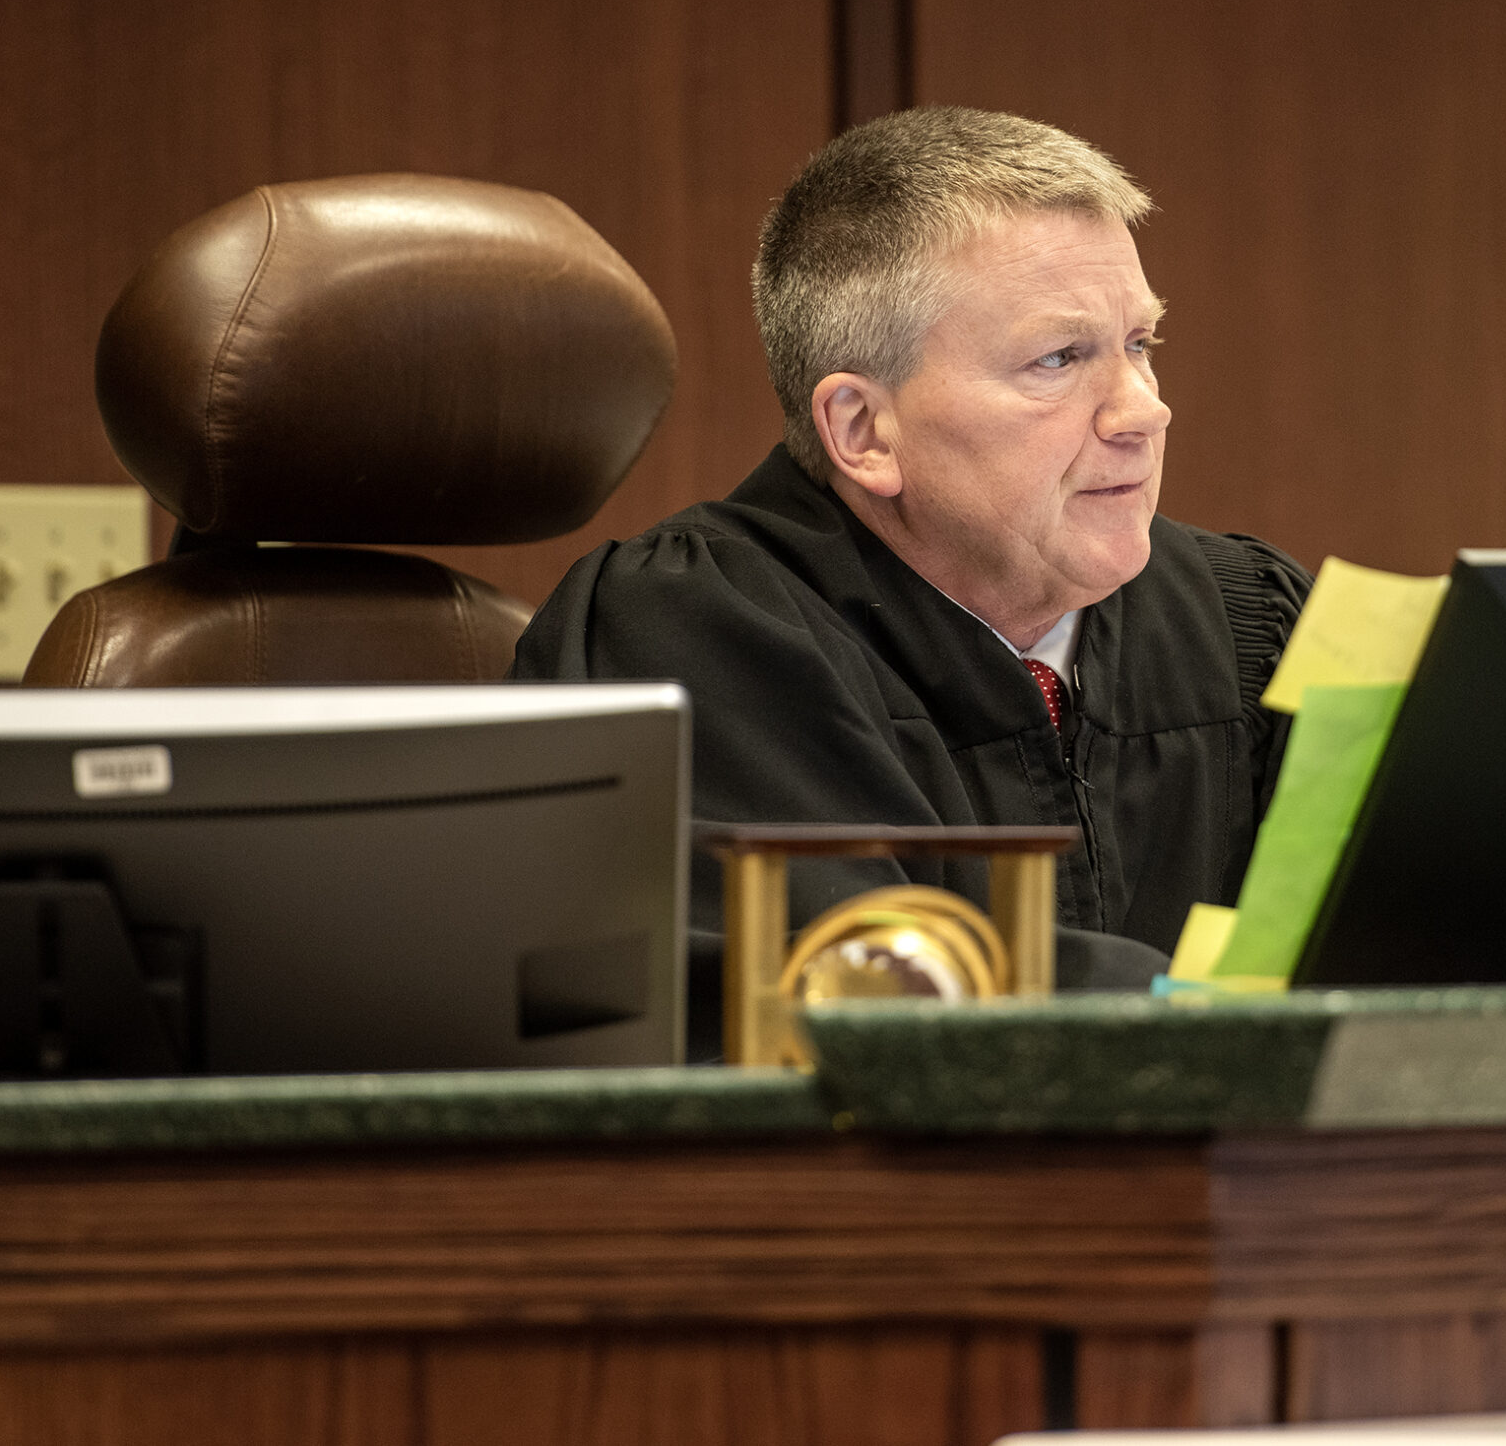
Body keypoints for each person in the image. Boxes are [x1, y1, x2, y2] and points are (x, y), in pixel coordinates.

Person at [512, 108, 1309, 1051]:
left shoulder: (1242, 620)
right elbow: (845, 995)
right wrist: (1226, 1019)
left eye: (1140, 344)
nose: (1145, 410)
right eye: (1059, 359)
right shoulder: (691, 634)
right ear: (862, 431)